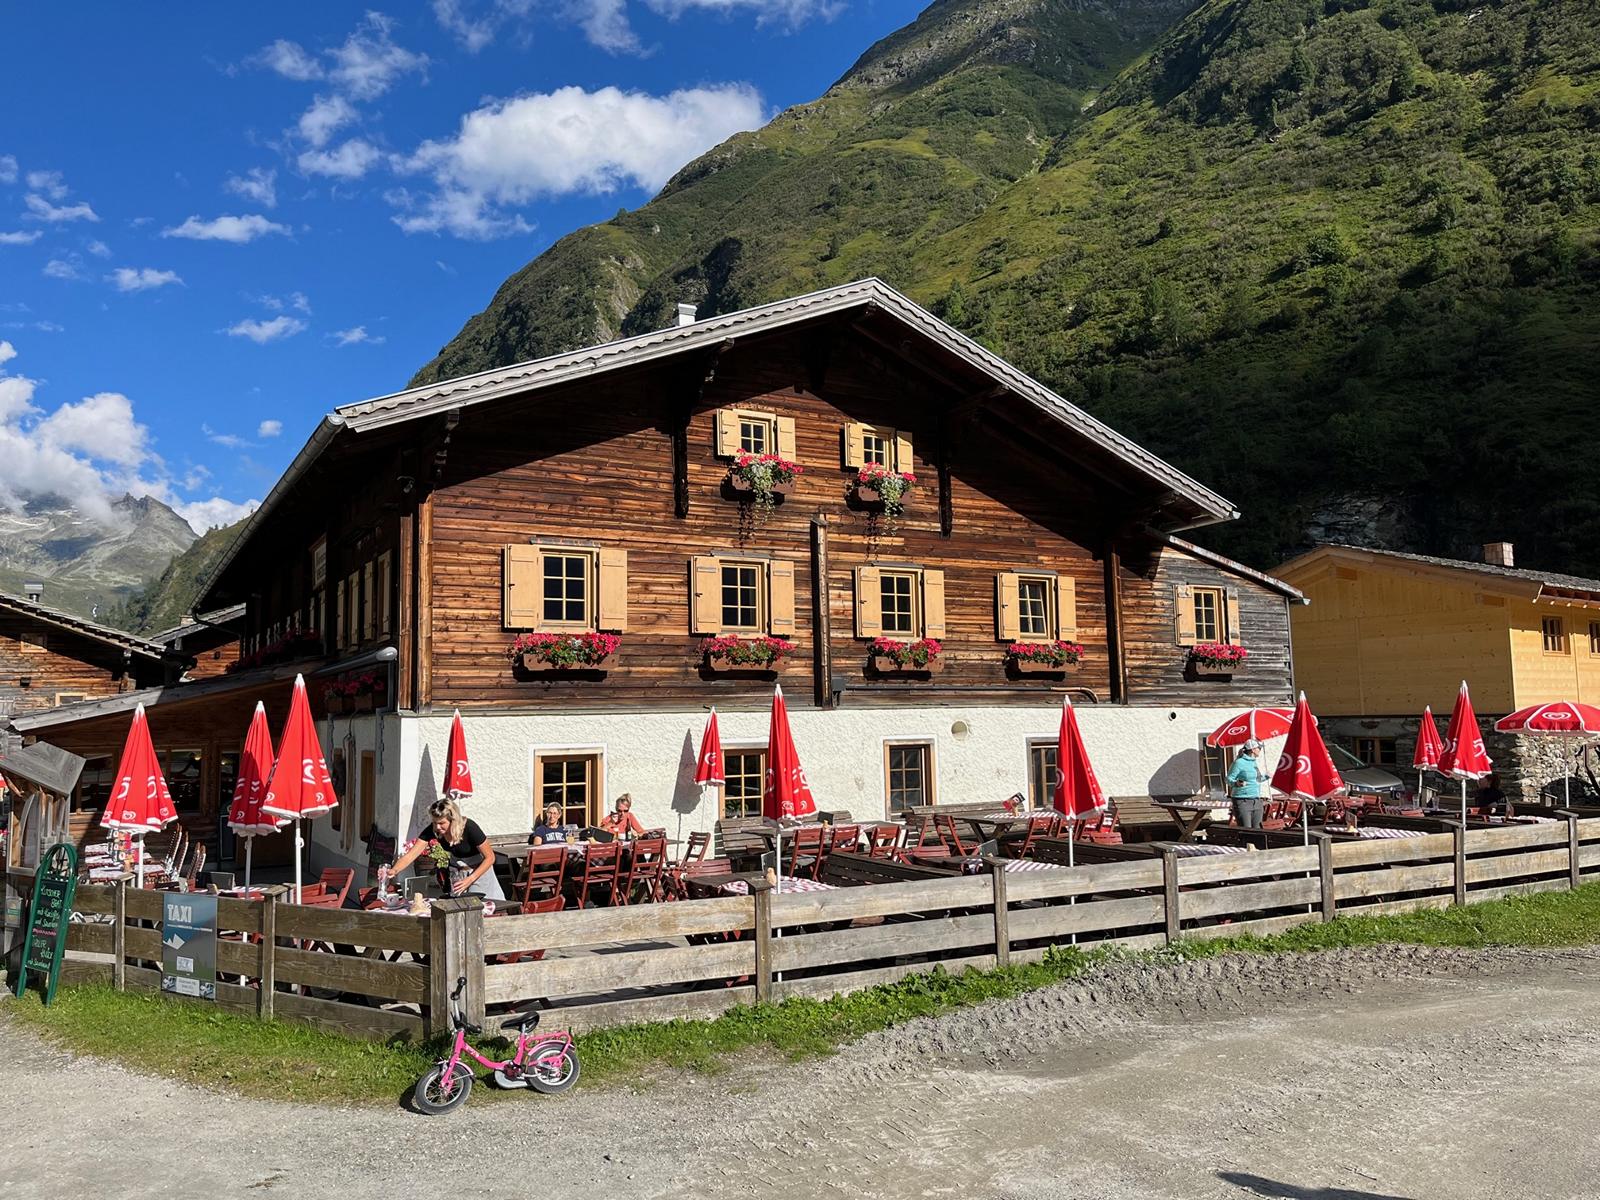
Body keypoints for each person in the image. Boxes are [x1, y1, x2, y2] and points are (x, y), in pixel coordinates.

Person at [389, 797, 505, 900]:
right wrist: (394, 871)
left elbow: (490, 858)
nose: (437, 827)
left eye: (442, 823)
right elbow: (411, 854)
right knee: (458, 906)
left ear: (453, 820)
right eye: (434, 823)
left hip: (478, 871)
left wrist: (470, 879)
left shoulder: (469, 827)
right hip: (457, 872)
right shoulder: (434, 830)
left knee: (479, 906)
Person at [1226, 740, 1267, 829]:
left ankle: (1256, 843)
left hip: (1256, 800)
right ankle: (1245, 843)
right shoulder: (1239, 763)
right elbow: (1228, 779)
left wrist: (1267, 776)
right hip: (1242, 800)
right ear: (1252, 749)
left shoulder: (1253, 762)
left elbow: (1257, 780)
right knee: (1246, 830)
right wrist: (1236, 783)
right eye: (1258, 748)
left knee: (1258, 830)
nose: (1260, 750)